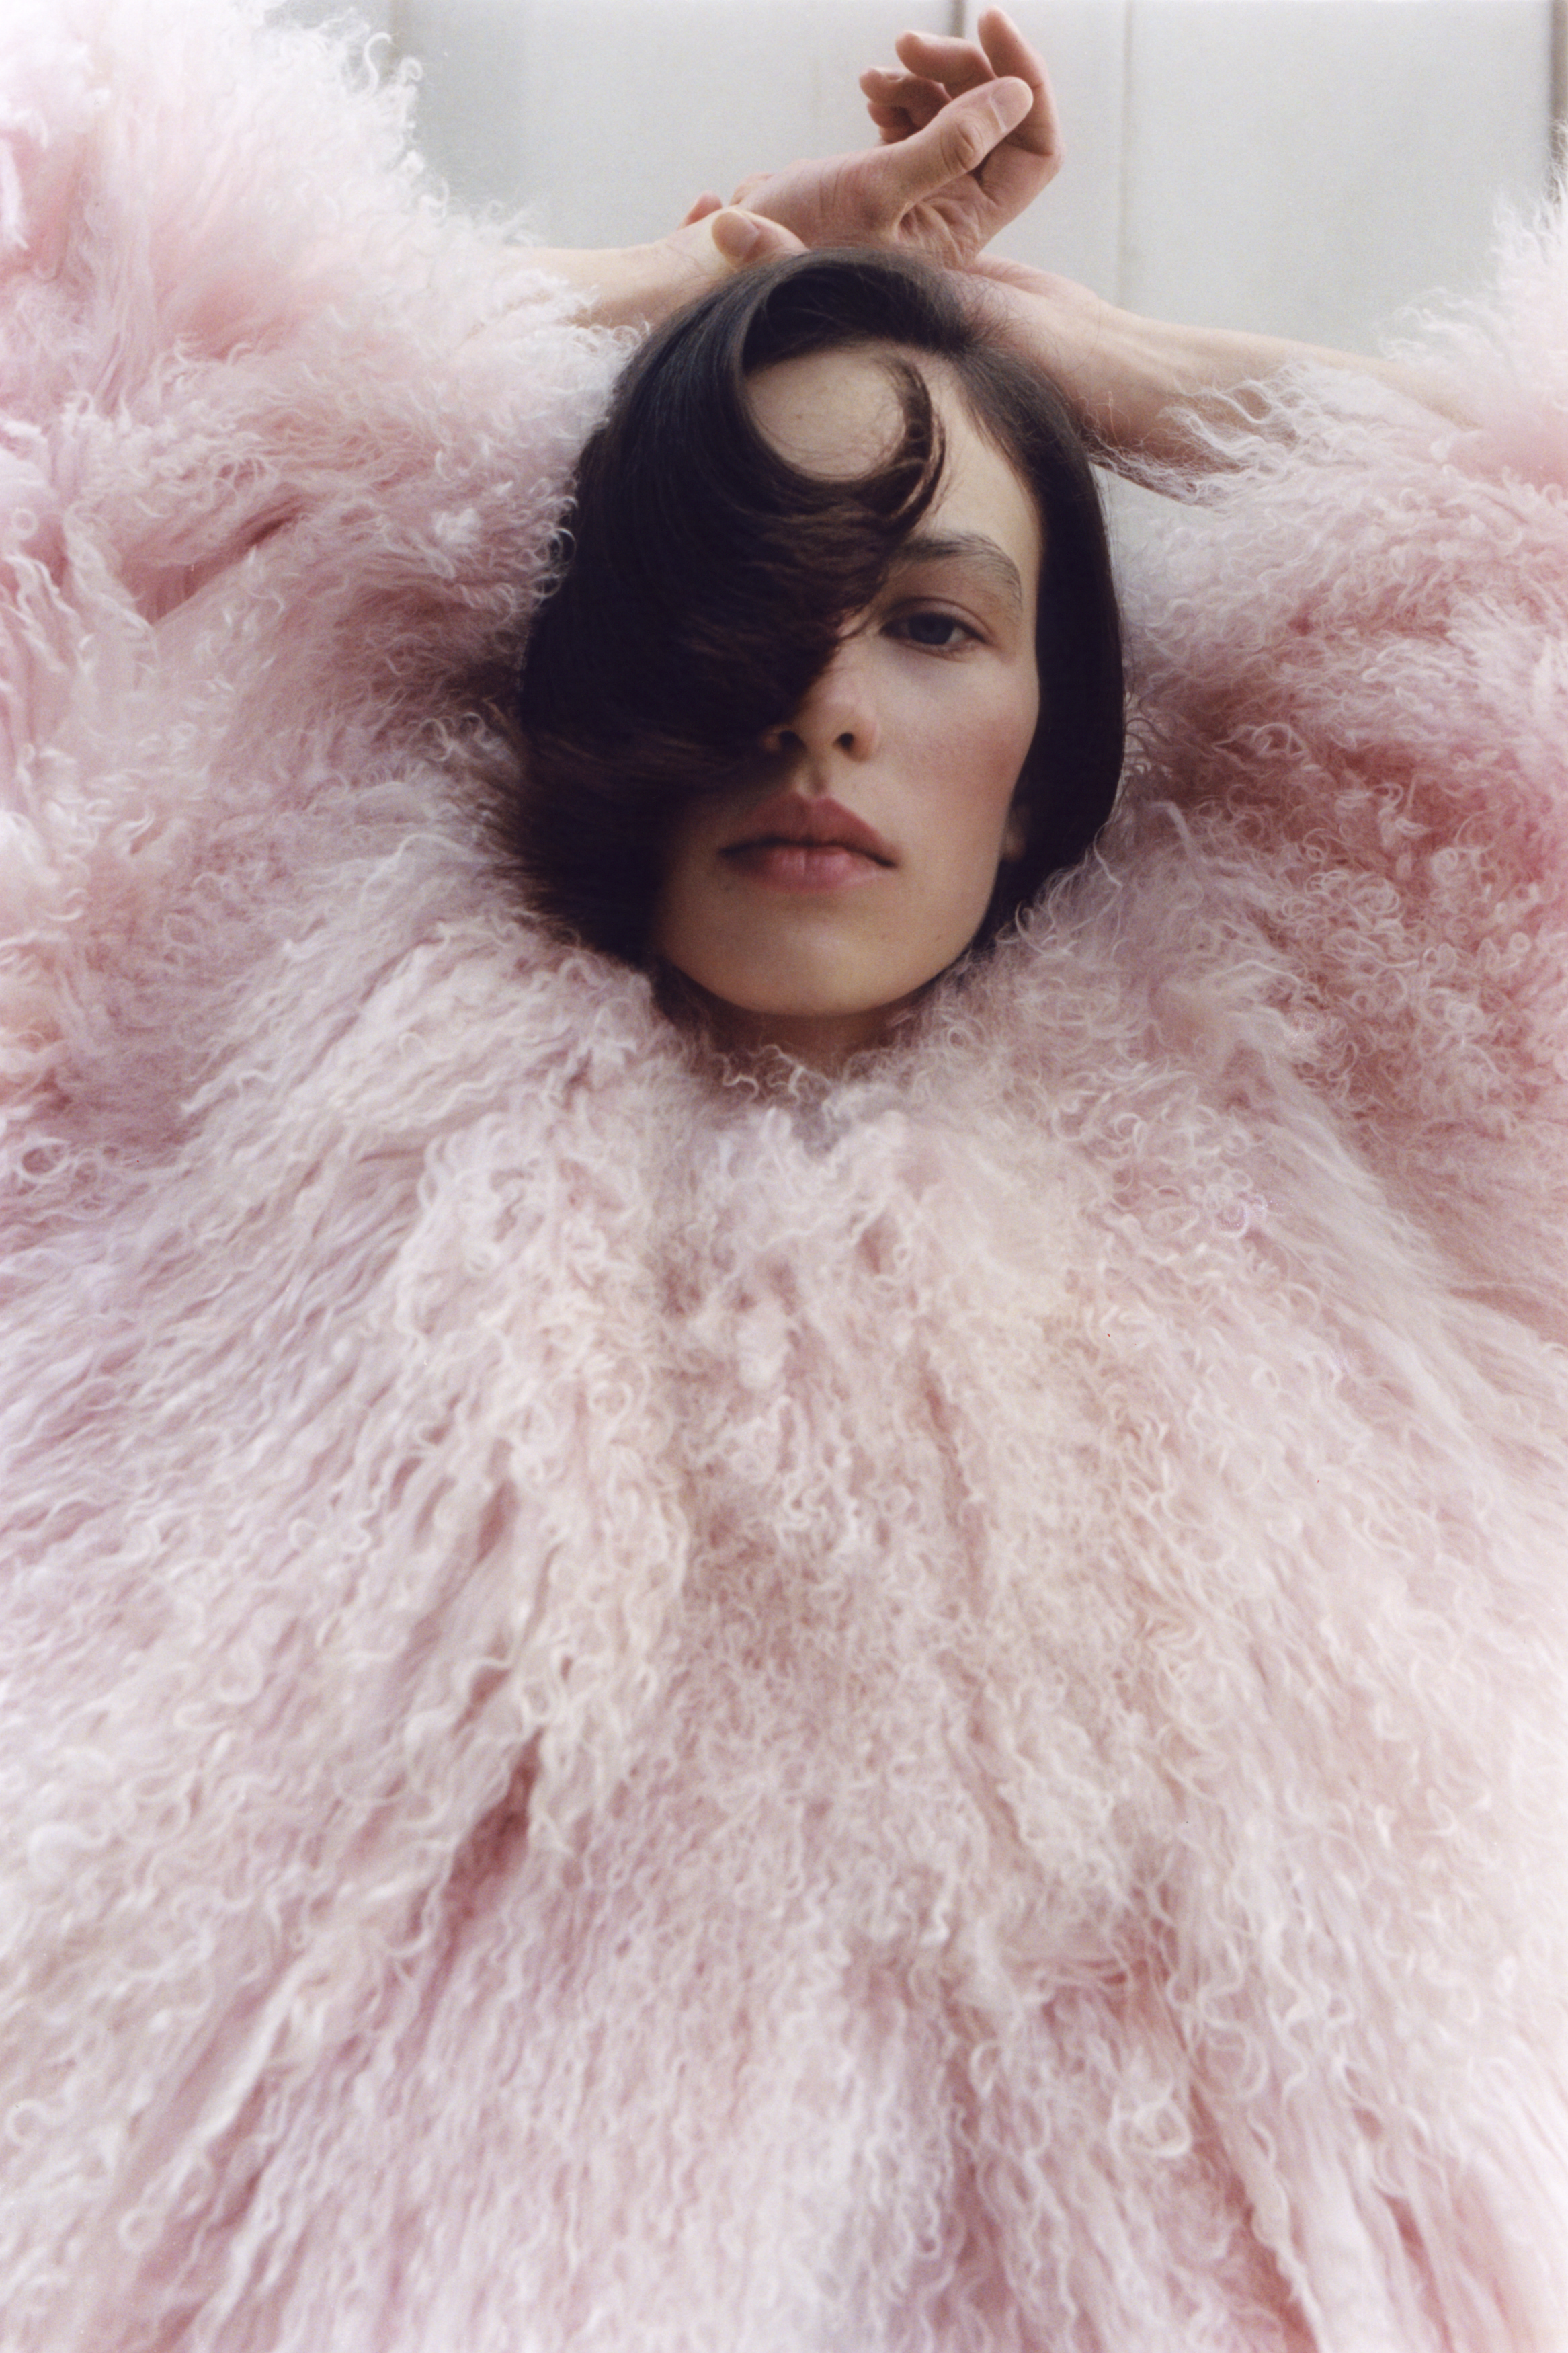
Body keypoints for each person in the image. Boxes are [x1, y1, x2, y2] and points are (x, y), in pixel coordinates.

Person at [2, 3, 1567, 2348]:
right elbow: (70, 353)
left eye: (931, 619)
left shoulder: (1323, 1089)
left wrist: (1101, 370)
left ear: (1053, 747)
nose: (821, 696)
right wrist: (700, 286)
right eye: (737, 588)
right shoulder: (254, 1048)